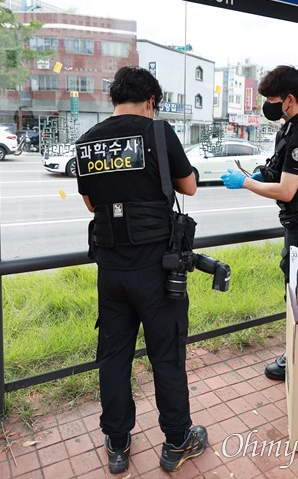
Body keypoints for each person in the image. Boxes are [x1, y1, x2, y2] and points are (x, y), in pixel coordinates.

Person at [75, 66, 208, 474]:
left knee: (114, 356)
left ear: (114, 98)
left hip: (110, 269)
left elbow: (91, 205)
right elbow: (189, 187)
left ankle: (117, 444)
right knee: (165, 355)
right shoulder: (157, 133)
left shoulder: (86, 141)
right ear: (151, 101)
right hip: (157, 270)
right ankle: (177, 440)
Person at [220, 65, 298, 381]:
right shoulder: (292, 127)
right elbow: (278, 171)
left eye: (271, 98)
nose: (267, 104)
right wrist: (259, 174)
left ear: (289, 99)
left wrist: (245, 184)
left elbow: (286, 189)